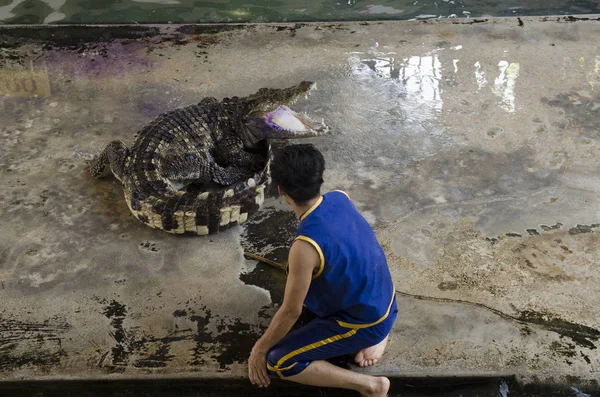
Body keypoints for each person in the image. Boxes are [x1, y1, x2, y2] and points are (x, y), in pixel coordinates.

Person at [247, 144, 397, 397]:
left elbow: (290, 312)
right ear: (320, 179)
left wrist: (259, 350)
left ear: (281, 191)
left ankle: (371, 386)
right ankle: (378, 335)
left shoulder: (305, 246)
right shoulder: (340, 197)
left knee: (279, 361)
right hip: (387, 302)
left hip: (364, 322)